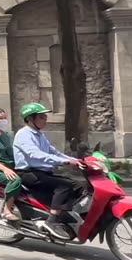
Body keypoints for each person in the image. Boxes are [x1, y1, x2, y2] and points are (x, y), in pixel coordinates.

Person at [12, 102, 83, 239]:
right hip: (28, 173)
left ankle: (66, 215)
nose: (45, 120)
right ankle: (51, 222)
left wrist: (77, 161)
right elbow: (35, 154)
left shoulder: (40, 135)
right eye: (41, 117)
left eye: (45, 117)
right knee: (63, 185)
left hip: (42, 172)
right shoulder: (24, 134)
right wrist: (63, 161)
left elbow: (54, 152)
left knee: (78, 185)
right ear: (30, 119)